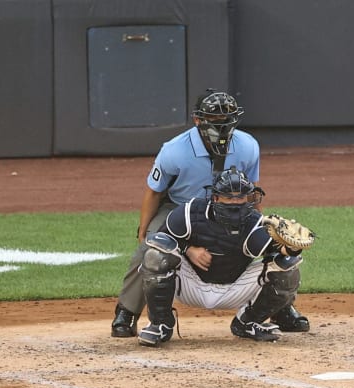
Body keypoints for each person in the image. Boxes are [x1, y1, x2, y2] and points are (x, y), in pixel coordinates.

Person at [111, 89, 309, 338]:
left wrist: (260, 223)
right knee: (151, 249)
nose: (223, 125)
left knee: (270, 249)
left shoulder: (248, 146)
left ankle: (282, 309)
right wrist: (144, 231)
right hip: (179, 207)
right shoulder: (174, 150)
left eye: (228, 119)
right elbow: (154, 192)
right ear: (198, 120)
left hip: (232, 205)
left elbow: (251, 191)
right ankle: (127, 312)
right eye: (215, 120)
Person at [138, 167, 306, 346]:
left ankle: (248, 322)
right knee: (156, 255)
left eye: (241, 197)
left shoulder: (254, 222)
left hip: (234, 288)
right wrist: (188, 249)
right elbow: (160, 240)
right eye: (229, 197)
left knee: (288, 266)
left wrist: (294, 247)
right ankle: (161, 324)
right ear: (216, 197)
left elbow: (280, 253)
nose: (236, 202)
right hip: (190, 284)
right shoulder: (190, 214)